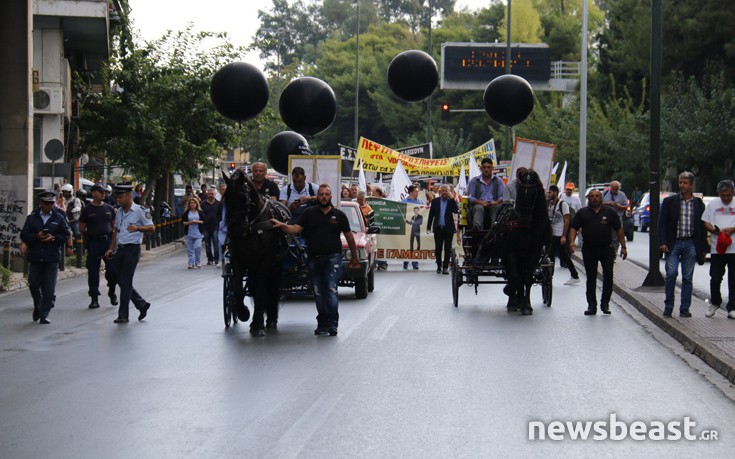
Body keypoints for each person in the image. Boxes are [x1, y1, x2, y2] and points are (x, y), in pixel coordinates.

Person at [271, 184, 360, 336]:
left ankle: (333, 323)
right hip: (313, 258)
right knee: (319, 292)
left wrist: (354, 257)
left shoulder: (339, 215)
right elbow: (295, 230)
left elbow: (349, 237)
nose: (324, 197)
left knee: (331, 289)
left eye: (327, 194)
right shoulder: (309, 213)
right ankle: (322, 323)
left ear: (331, 197)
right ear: (317, 196)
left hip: (333, 257)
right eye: (321, 194)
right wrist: (281, 225)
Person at [568, 189, 627, 316]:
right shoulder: (582, 213)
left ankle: (605, 303)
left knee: (608, 276)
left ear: (601, 198)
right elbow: (574, 228)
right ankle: (591, 305)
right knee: (591, 277)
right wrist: (571, 242)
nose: (594, 198)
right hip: (589, 249)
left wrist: (623, 246)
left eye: (597, 196)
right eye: (592, 196)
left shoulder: (609, 212)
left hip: (606, 248)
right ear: (589, 198)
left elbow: (619, 229)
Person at [658, 171, 708, 318]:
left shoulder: (698, 204)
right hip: (674, 242)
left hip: (691, 242)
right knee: (671, 274)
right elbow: (662, 224)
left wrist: (703, 248)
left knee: (687, 276)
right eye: (680, 182)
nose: (682, 185)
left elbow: (702, 227)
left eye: (685, 183)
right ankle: (669, 306)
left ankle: (685, 308)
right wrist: (662, 242)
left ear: (691, 185)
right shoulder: (670, 202)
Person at [19, 191, 71, 324]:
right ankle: (38, 304)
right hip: (36, 256)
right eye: (46, 203)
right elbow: (24, 235)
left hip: (51, 256)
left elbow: (65, 235)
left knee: (49, 287)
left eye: (51, 203)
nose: (49, 206)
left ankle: (44, 314)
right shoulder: (32, 218)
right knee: (34, 284)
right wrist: (36, 236)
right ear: (41, 203)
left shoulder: (59, 218)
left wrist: (53, 238)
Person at [105, 184, 154, 324]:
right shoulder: (119, 211)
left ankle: (123, 315)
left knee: (125, 281)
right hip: (120, 249)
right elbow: (116, 230)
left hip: (132, 249)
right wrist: (110, 248)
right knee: (117, 278)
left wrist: (138, 228)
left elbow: (151, 227)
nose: (118, 199)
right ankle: (141, 304)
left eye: (121, 197)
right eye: (117, 196)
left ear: (129, 196)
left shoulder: (140, 211)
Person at [79, 184, 118, 309]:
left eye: (105, 192)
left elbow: (114, 227)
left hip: (107, 243)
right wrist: (90, 235)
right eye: (101, 192)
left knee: (112, 270)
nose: (104, 194)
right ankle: (94, 298)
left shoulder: (109, 208)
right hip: (94, 243)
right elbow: (81, 228)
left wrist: (113, 244)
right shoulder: (87, 210)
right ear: (94, 193)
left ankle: (112, 291)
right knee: (93, 272)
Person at [701, 179, 735, 319]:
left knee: (733, 279)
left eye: (728, 195)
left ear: (733, 192)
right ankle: (715, 302)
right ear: (718, 193)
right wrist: (716, 231)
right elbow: (705, 222)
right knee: (715, 278)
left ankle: (732, 307)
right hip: (717, 248)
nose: (726, 198)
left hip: (733, 248)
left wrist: (732, 229)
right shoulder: (713, 204)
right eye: (723, 195)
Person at [547, 185, 580, 285]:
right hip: (552, 235)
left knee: (563, 256)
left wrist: (564, 236)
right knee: (551, 256)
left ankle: (575, 276)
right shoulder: (550, 205)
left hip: (560, 235)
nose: (549, 194)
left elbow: (567, 220)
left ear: (556, 192)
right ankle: (549, 278)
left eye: (550, 192)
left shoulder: (562, 204)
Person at [427, 184, 459, 274]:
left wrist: (452, 199)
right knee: (438, 248)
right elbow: (431, 215)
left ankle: (445, 267)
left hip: (448, 228)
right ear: (440, 191)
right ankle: (439, 266)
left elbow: (456, 210)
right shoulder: (435, 201)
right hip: (438, 228)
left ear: (449, 192)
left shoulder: (451, 201)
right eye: (443, 190)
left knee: (447, 249)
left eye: (446, 191)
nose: (445, 192)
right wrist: (428, 227)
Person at [467, 157, 505, 230]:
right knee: (479, 208)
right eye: (484, 167)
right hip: (478, 205)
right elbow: (470, 197)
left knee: (496, 208)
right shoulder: (474, 181)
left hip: (494, 204)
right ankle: (477, 228)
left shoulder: (499, 181)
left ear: (492, 168)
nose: (486, 169)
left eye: (488, 167)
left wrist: (496, 202)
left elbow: (503, 196)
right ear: (481, 168)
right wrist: (480, 202)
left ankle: (494, 228)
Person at [601, 181, 628, 254]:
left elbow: (626, 207)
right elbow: (599, 203)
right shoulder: (605, 193)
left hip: (617, 217)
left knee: (616, 236)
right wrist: (608, 203)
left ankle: (613, 254)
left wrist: (618, 206)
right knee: (605, 235)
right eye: (613, 189)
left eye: (616, 189)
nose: (614, 191)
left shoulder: (622, 195)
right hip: (606, 217)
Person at [200, 189, 221, 266]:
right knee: (207, 244)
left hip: (216, 226)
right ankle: (210, 259)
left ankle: (216, 258)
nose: (211, 195)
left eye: (212, 194)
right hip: (206, 226)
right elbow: (201, 214)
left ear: (215, 194)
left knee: (216, 243)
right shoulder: (203, 204)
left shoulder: (219, 204)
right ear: (207, 195)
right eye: (209, 194)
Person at [182, 197, 204, 269]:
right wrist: (190, 222)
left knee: (198, 247)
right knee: (190, 249)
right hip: (189, 233)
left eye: (194, 203)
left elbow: (203, 221)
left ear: (196, 204)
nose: (193, 204)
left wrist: (197, 221)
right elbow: (183, 222)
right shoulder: (187, 212)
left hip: (198, 232)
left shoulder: (200, 212)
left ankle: (198, 261)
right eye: (191, 203)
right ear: (189, 204)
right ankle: (191, 262)